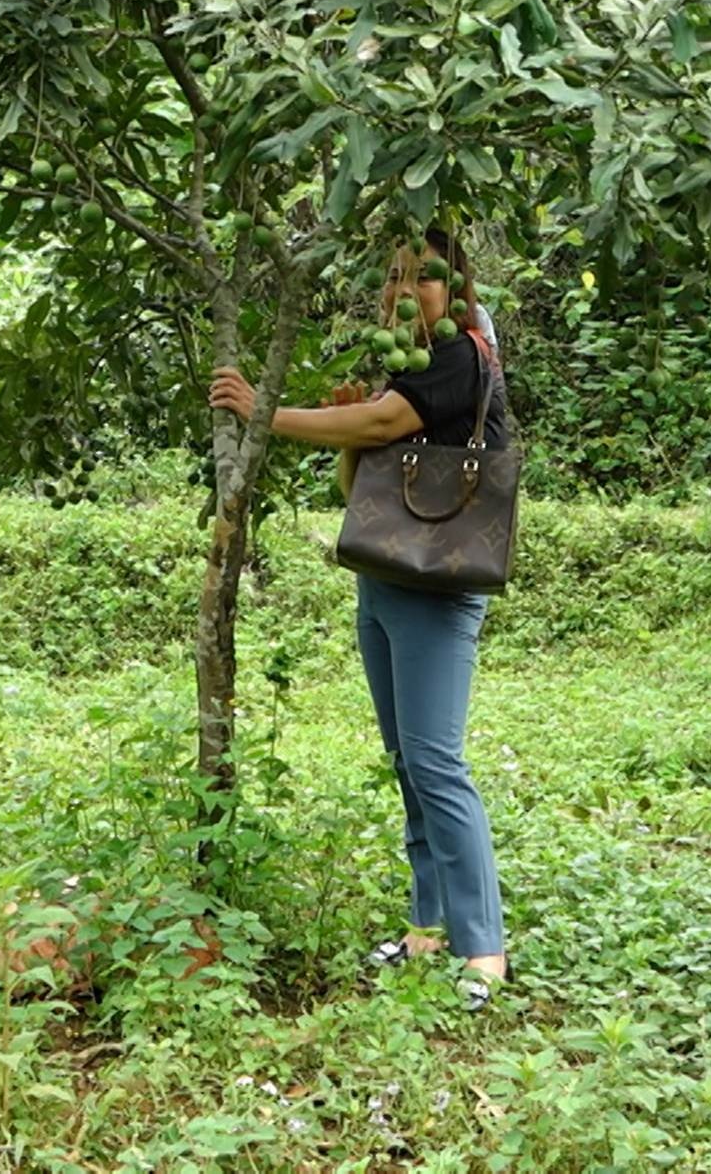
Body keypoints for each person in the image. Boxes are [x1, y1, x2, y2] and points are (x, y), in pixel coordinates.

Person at [207, 224, 513, 1010]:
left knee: (437, 763)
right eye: (394, 276)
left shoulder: (458, 356)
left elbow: (381, 427)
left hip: (437, 587)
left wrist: (263, 412)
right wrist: (345, 422)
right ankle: (426, 929)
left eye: (423, 276)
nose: (404, 290)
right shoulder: (407, 362)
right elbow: (363, 482)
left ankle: (484, 951)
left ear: (458, 286)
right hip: (384, 577)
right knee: (407, 760)